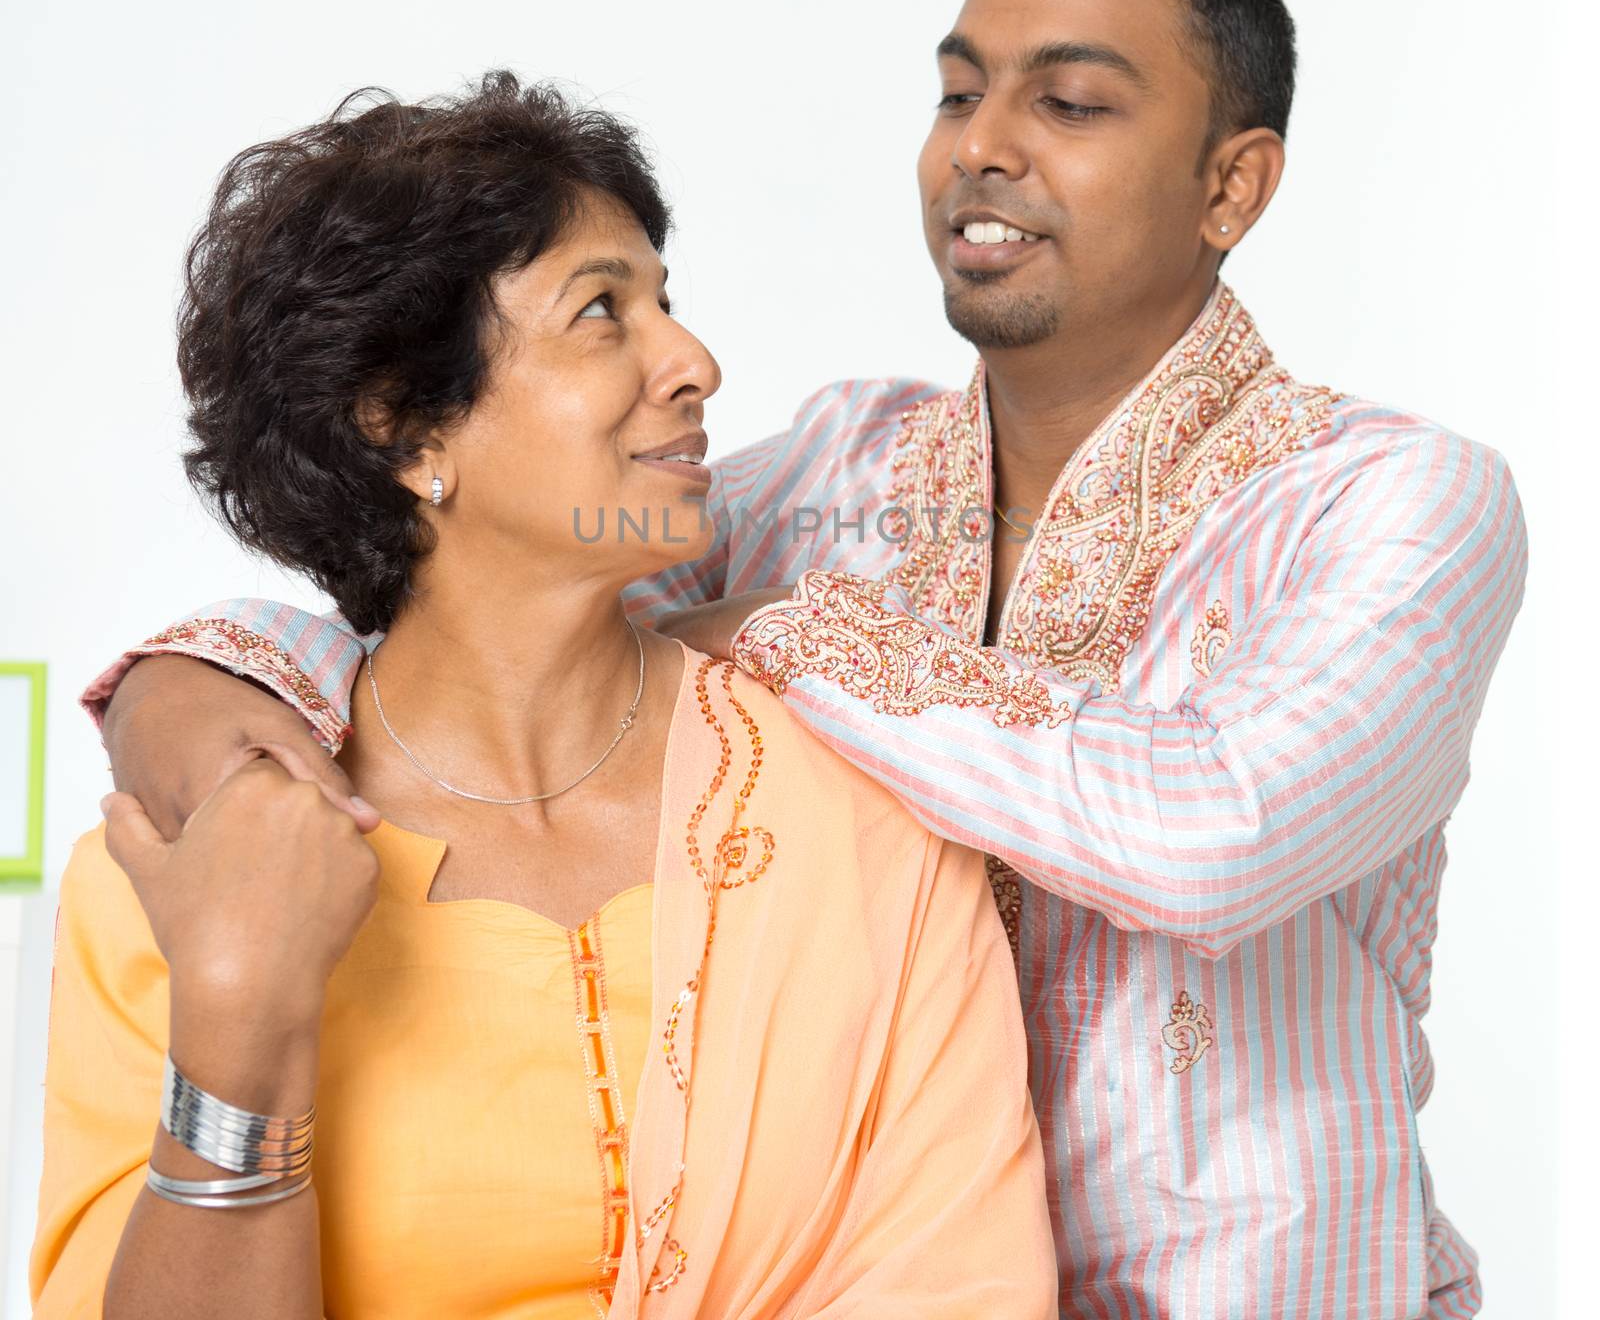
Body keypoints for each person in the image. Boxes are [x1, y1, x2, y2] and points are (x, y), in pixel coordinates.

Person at [82, 0, 1527, 1319]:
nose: (985, 148)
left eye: (1070, 105)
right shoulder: (846, 464)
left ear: (1232, 184)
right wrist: (191, 683)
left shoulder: (1391, 501)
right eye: (960, 94)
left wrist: (788, 627)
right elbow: (498, 607)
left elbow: (1215, 832)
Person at [29, 75, 1056, 1319]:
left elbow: (958, 1279)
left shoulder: (862, 796)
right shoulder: (178, 863)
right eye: (600, 314)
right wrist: (241, 1020)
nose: (694, 364)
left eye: (664, 303)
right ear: (408, 433)